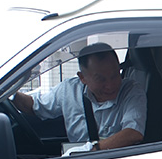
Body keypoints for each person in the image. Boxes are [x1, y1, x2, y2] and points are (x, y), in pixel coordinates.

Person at [13, 42, 147, 151]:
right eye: (101, 79)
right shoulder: (69, 90)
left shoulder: (131, 90)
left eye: (114, 76)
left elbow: (133, 133)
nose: (110, 85)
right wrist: (10, 94)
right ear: (82, 78)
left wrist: (89, 151)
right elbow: (34, 106)